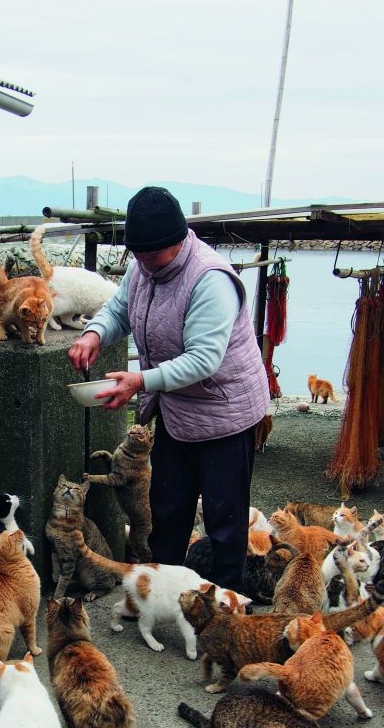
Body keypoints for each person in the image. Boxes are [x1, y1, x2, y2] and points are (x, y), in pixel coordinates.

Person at [68, 185, 269, 589]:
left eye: (151, 254)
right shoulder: (143, 266)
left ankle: (228, 603)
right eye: (136, 253)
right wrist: (94, 333)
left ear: (179, 240)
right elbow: (120, 308)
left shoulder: (209, 280)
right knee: (168, 507)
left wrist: (140, 380)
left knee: (224, 517)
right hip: (178, 410)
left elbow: (203, 360)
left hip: (225, 411)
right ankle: (165, 593)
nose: (142, 261)